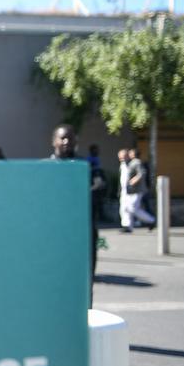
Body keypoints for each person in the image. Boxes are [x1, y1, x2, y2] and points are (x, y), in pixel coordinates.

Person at [50, 124, 102, 291]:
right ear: (54, 141)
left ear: (76, 142)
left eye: (70, 138)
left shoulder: (87, 166)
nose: (66, 142)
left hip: (82, 232)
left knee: (82, 283)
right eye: (62, 138)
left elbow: (99, 188)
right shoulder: (44, 168)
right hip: (53, 233)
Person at [123, 147, 156, 232]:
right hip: (132, 190)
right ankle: (129, 227)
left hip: (137, 190)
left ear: (134, 154)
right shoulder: (132, 162)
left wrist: (134, 180)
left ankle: (151, 220)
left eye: (130, 153)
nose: (129, 154)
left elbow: (142, 173)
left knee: (133, 208)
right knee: (128, 208)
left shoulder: (137, 162)